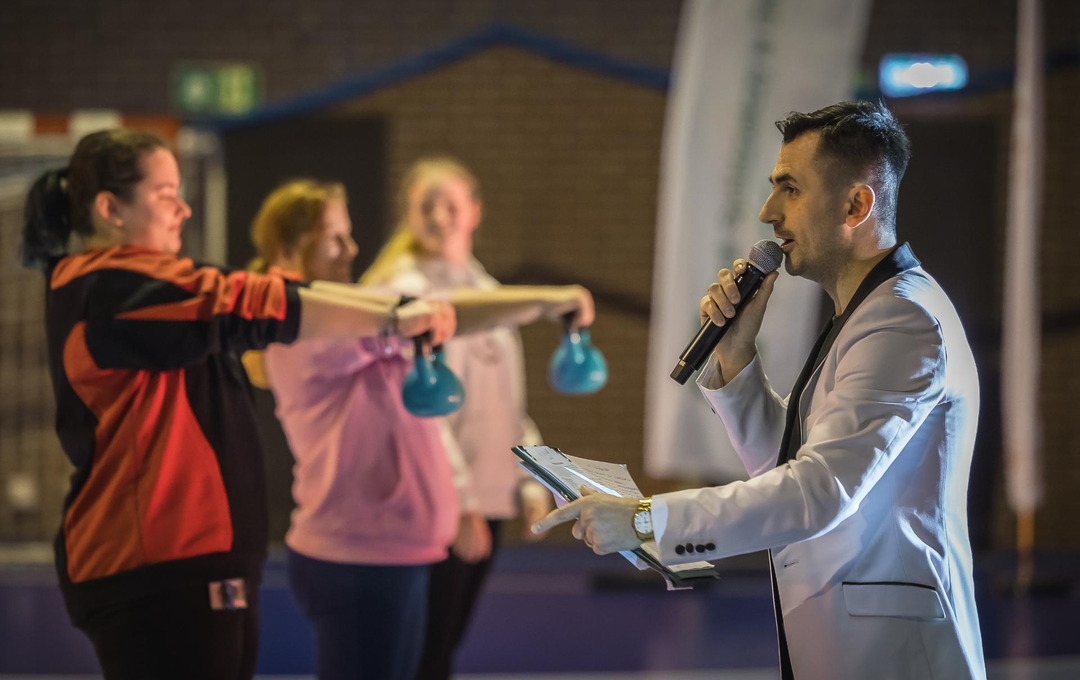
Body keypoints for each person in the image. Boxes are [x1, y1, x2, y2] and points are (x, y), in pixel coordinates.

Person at [534, 102, 985, 680]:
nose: (767, 212)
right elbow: (788, 465)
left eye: (789, 189)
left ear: (856, 205)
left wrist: (648, 521)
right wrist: (735, 353)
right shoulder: (866, 312)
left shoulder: (902, 322)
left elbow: (817, 492)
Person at [20, 131, 449, 680]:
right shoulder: (109, 289)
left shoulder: (142, 284)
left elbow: (252, 294)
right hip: (157, 564)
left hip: (194, 560)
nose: (183, 208)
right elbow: (251, 301)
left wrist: (397, 310)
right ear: (110, 210)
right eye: (165, 193)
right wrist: (392, 317)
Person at [246, 178, 593, 680]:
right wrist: (548, 302)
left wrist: (527, 477)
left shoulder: (352, 313)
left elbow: (450, 327)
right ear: (287, 250)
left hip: (400, 550)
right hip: (358, 554)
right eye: (334, 238)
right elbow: (438, 314)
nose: (351, 249)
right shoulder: (308, 329)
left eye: (348, 234)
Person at [361, 157, 585, 679]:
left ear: (475, 211)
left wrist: (529, 479)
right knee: (421, 655)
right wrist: (458, 503)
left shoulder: (487, 291)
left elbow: (508, 403)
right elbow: (416, 413)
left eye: (451, 204)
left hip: (487, 502)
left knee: (441, 647)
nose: (440, 216)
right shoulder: (401, 290)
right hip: (432, 505)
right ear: (408, 214)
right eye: (426, 205)